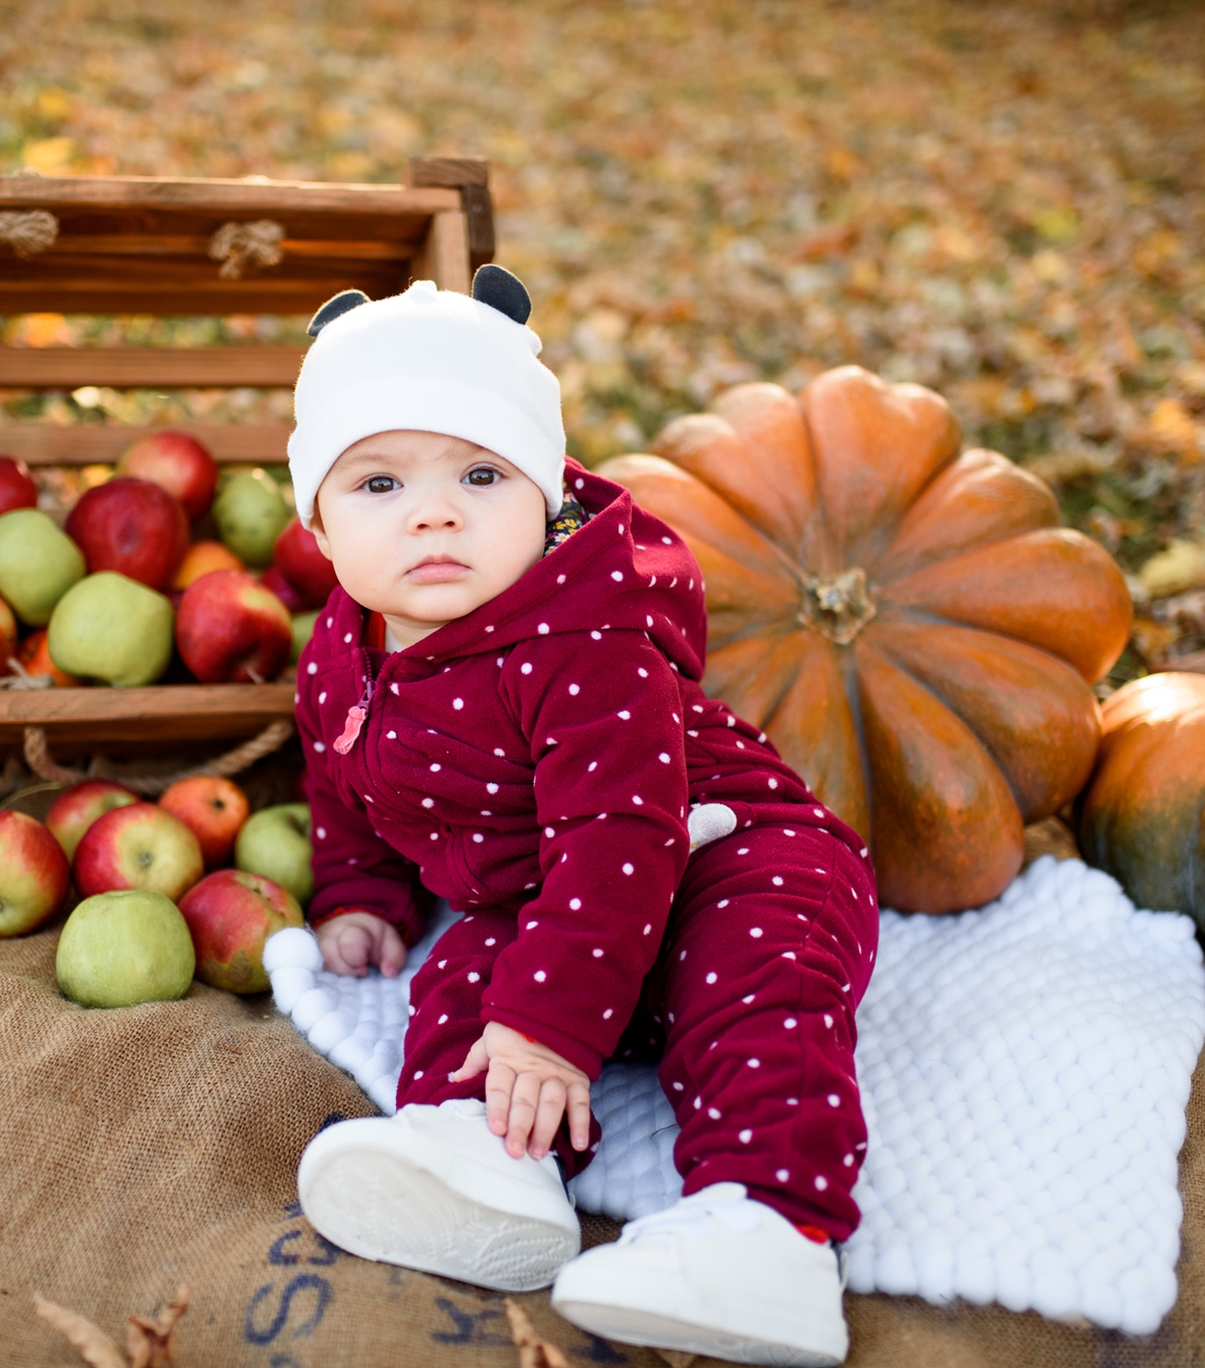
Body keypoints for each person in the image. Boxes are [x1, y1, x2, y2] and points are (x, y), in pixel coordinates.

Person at [285, 266, 878, 1368]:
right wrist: (359, 890)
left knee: (760, 986)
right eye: (375, 485)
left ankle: (765, 1230)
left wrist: (552, 1028)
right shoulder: (340, 653)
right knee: (460, 982)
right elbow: (341, 776)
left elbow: (620, 839)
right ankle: (486, 1165)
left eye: (479, 472)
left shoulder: (583, 646)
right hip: (554, 900)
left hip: (724, 856)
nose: (433, 513)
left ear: (548, 494)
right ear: (314, 521)